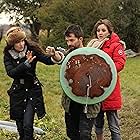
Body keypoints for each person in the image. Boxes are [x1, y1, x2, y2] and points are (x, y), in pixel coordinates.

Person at [3, 26, 64, 140]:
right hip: (18, 92)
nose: (21, 44)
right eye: (17, 42)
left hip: (32, 90)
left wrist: (53, 55)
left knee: (27, 125)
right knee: (20, 126)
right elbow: (11, 73)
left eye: (22, 40)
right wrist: (25, 64)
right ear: (12, 44)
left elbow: (47, 60)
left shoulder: (32, 49)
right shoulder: (8, 54)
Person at [87, 19, 126, 140]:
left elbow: (120, 63)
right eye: (98, 30)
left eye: (103, 30)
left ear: (109, 31)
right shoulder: (93, 45)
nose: (100, 32)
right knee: (98, 123)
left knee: (113, 123)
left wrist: (103, 71)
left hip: (110, 88)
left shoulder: (116, 45)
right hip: (96, 89)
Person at [61, 24, 101, 140]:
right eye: (67, 40)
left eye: (72, 40)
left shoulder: (93, 55)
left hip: (88, 102)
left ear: (80, 39)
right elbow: (60, 60)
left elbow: (100, 78)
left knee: (84, 135)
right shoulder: (68, 56)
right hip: (71, 102)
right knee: (72, 134)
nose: (69, 43)